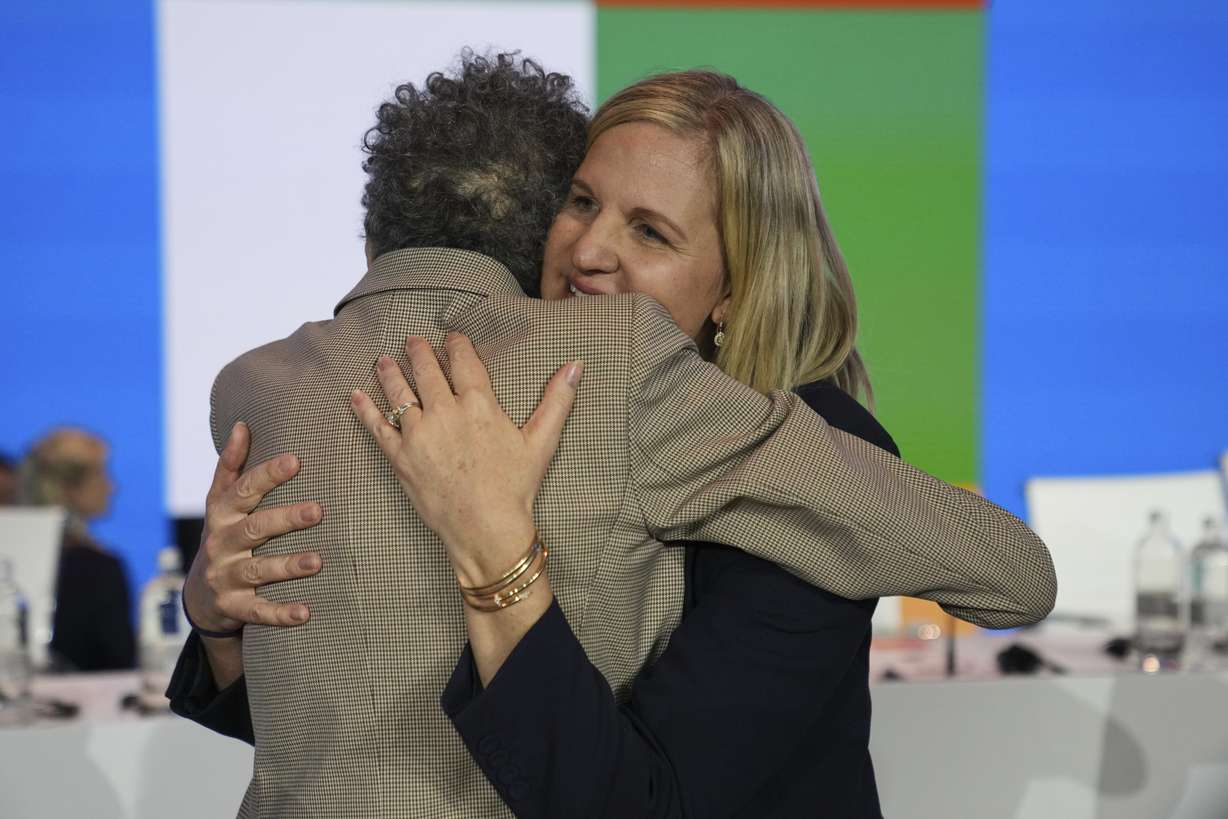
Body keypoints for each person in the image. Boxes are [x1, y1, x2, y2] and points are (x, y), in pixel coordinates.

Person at [168, 54, 1055, 818]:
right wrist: (217, 614)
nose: (588, 249)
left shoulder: (806, 442)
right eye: (581, 201)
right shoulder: (499, 403)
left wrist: (496, 552)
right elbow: (373, 718)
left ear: (737, 287)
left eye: (650, 232)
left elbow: (642, 798)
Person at [20, 428, 136, 671]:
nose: (111, 486)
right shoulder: (99, 569)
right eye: (101, 474)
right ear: (68, 488)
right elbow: (119, 663)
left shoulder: (16, 560)